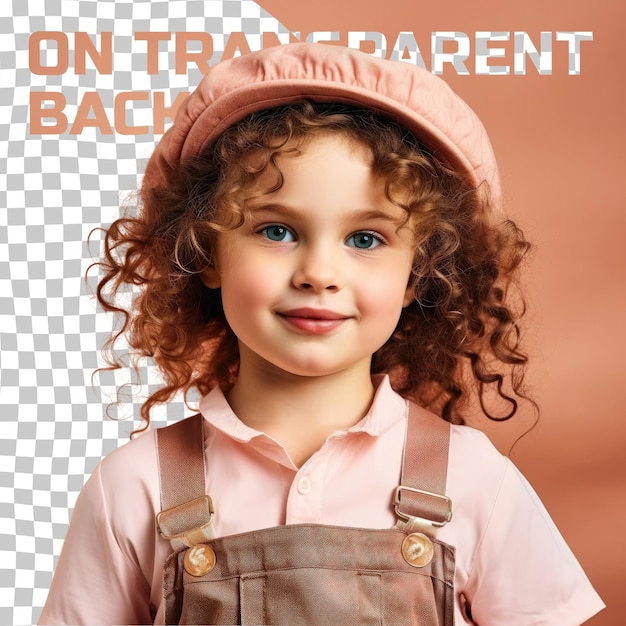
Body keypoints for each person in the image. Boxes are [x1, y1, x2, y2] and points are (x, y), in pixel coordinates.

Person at [38, 43, 604, 625]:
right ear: (205, 249)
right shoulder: (133, 486)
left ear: (420, 273)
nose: (318, 274)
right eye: (277, 230)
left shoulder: (473, 477)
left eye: (365, 239)